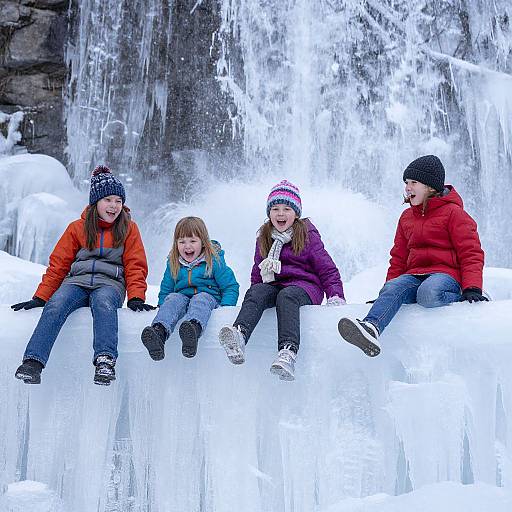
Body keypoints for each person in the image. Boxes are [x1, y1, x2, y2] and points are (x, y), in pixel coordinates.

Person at [11, 165, 154, 385]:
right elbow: (58, 265)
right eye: (108, 200)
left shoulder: (129, 229)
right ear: (96, 202)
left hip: (110, 284)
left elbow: (136, 265)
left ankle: (105, 360)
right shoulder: (76, 228)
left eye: (118, 201)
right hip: (76, 282)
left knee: (104, 303)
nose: (114, 206)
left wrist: (136, 297)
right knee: (57, 303)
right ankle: (33, 362)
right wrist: (41, 297)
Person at [338, 155, 487, 357]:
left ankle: (459, 297)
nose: (408, 187)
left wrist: (472, 287)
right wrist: (385, 295)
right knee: (393, 288)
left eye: (413, 182)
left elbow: (470, 252)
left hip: (446, 275)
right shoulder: (406, 217)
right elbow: (398, 257)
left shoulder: (454, 214)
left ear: (431, 186)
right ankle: (371, 328)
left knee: (428, 292)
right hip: (415, 274)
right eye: (406, 183)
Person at [218, 180, 345, 381]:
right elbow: (257, 271)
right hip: (275, 285)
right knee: (258, 291)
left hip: (305, 286)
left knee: (287, 296)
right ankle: (239, 336)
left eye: (287, 208)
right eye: (275, 208)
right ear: (269, 213)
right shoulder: (264, 236)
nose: (280, 214)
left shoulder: (307, 234)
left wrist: (335, 295)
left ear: (296, 213)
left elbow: (327, 268)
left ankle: (288, 352)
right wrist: (254, 300)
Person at [141, 216, 239, 359]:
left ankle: (192, 331)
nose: (187, 246)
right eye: (182, 242)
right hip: (182, 299)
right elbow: (166, 288)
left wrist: (226, 309)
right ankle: (158, 333)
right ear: (176, 244)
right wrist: (162, 305)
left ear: (203, 242)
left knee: (201, 298)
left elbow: (230, 286)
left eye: (193, 241)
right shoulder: (173, 263)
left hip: (208, 299)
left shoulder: (214, 260)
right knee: (173, 298)